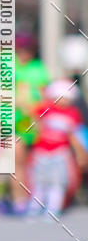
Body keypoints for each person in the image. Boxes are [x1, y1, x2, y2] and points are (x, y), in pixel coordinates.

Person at [25, 79, 88, 219]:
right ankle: (35, 208)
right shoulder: (45, 109)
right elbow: (31, 115)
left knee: (58, 183)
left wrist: (80, 154)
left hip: (60, 154)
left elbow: (74, 136)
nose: (63, 101)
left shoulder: (73, 114)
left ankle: (53, 209)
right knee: (39, 182)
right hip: (41, 153)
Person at [10, 32, 51, 214]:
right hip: (13, 121)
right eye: (21, 49)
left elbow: (43, 95)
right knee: (15, 162)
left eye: (28, 49)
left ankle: (37, 198)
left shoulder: (38, 68)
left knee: (34, 163)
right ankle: (19, 201)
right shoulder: (8, 66)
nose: (25, 53)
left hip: (34, 121)